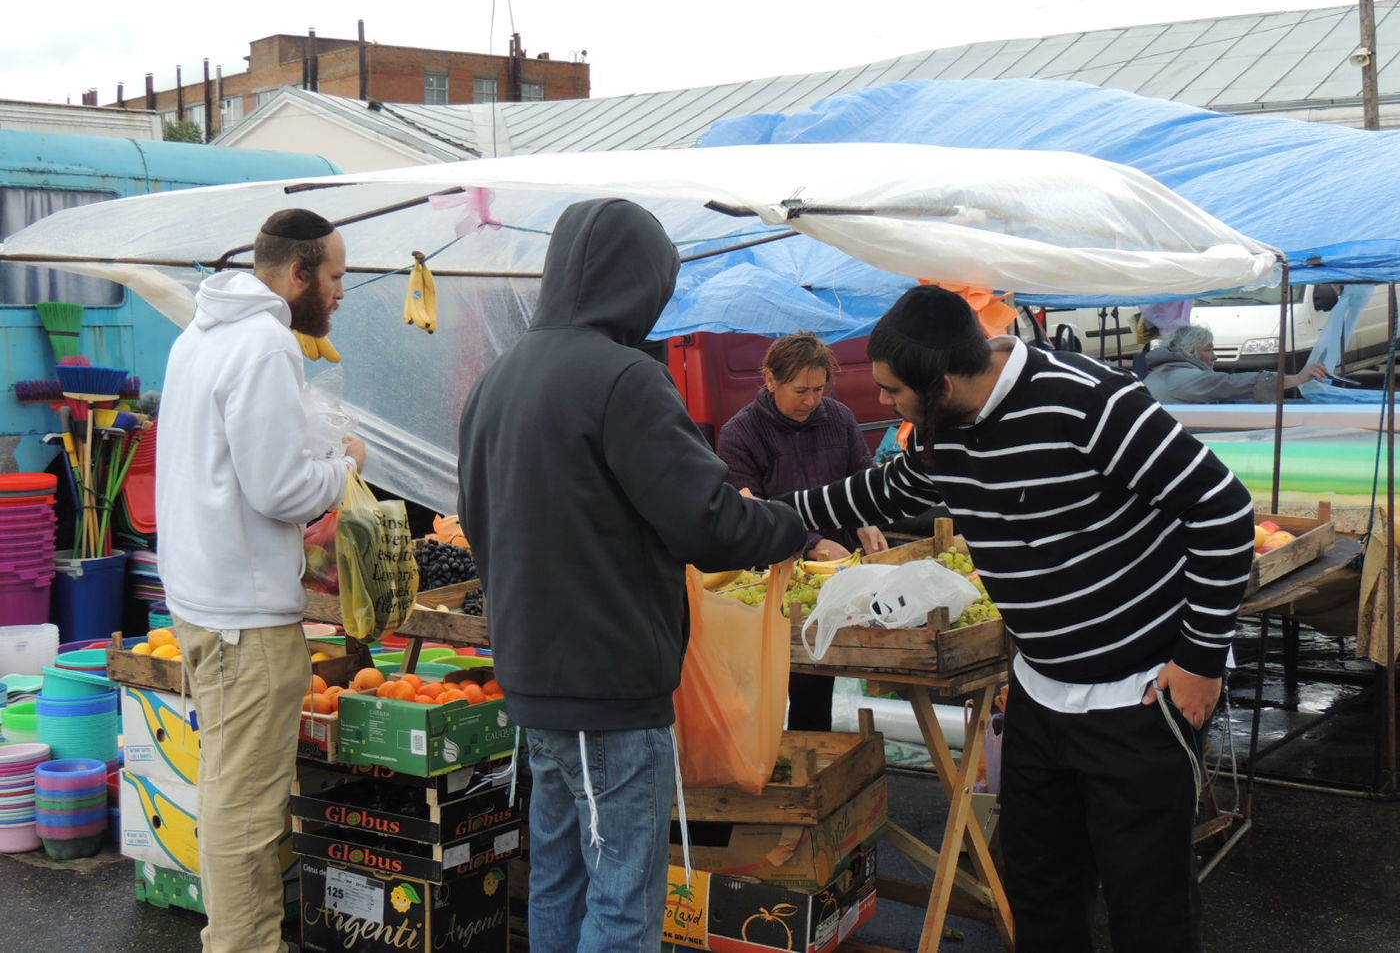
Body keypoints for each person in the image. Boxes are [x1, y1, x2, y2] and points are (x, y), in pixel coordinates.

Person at [778, 285, 1256, 953]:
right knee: (1039, 893)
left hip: (1137, 696)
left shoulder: (1093, 402)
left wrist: (1201, 661)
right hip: (1039, 694)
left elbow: (1224, 512)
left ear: (940, 385)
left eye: (892, 392)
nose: (881, 403)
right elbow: (889, 489)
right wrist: (768, 516)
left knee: (1147, 907)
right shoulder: (945, 433)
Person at [456, 198, 805, 953]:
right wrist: (798, 518)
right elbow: (710, 527)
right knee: (622, 898)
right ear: (643, 282)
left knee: (558, 878)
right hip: (607, 687)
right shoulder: (624, 380)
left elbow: (477, 521)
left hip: (532, 677)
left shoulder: (499, 378)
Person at [156, 208, 365, 953]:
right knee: (246, 812)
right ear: (298, 271)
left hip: (202, 601)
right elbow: (278, 489)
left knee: (226, 792)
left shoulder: (198, 335)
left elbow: (227, 464)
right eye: (336, 275)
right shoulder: (268, 341)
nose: (341, 292)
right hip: (245, 616)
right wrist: (341, 469)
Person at [717, 331, 887, 731]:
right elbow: (746, 513)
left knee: (815, 687)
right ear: (770, 379)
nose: (811, 400)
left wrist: (866, 519)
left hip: (835, 578)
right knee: (767, 691)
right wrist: (810, 543)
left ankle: (814, 763)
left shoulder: (839, 418)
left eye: (819, 388)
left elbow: (861, 477)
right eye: (800, 390)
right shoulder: (740, 434)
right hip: (770, 581)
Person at [1143, 322, 1327, 404]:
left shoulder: (1161, 373)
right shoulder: (1184, 378)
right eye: (1208, 350)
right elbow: (1233, 384)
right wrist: (1296, 379)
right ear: (1190, 351)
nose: (1214, 357)